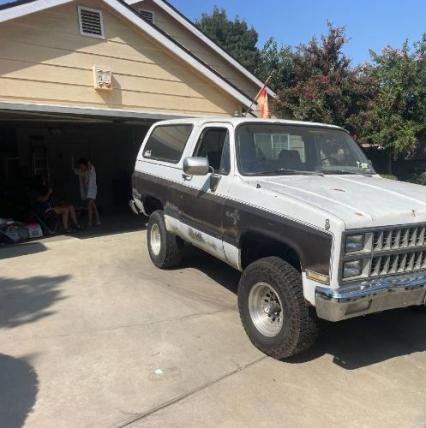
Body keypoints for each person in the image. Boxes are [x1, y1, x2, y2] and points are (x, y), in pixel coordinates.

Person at [74, 158, 101, 226]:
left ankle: (90, 222)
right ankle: (98, 220)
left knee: (89, 205)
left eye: (82, 165)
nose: (81, 167)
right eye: (80, 166)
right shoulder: (81, 172)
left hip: (92, 190)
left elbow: (91, 167)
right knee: (93, 206)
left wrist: (89, 164)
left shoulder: (91, 170)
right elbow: (75, 170)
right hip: (87, 192)